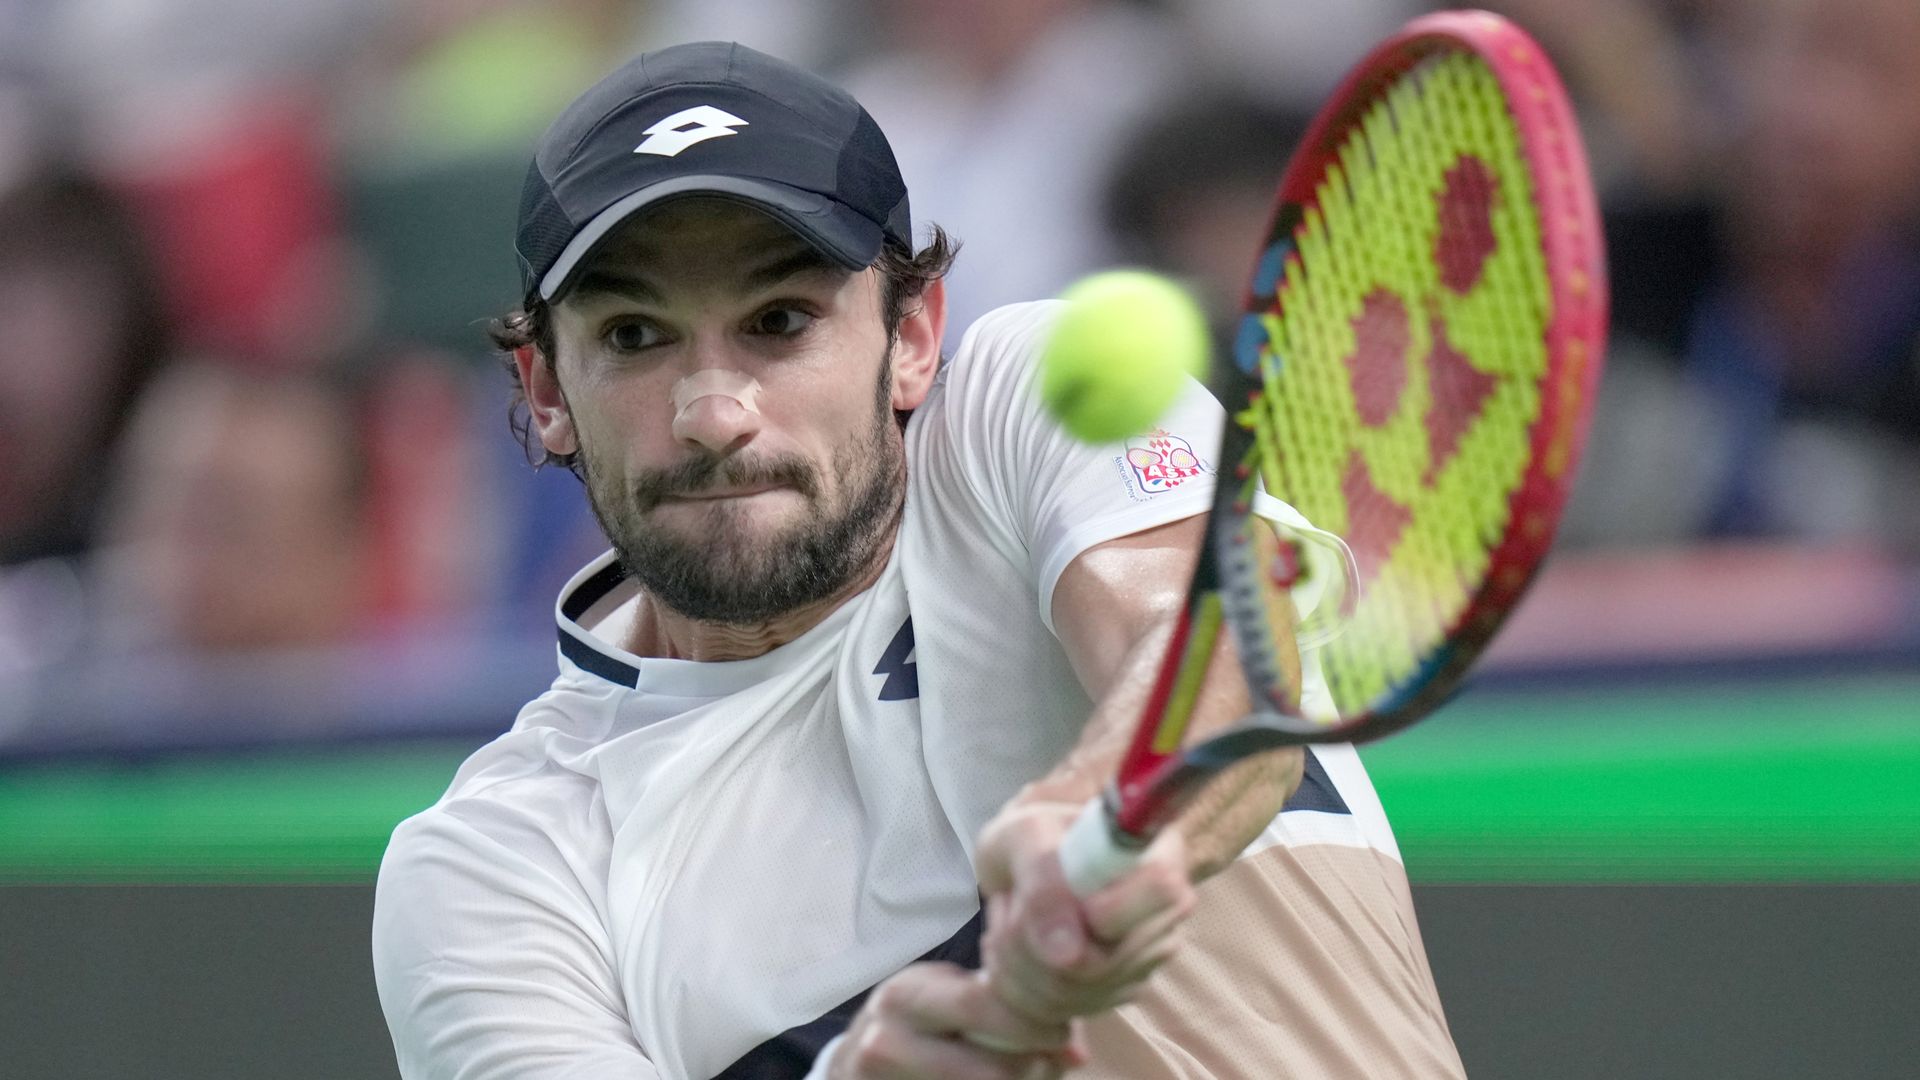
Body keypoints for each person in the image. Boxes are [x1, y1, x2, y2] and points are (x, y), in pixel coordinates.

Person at [372, 42, 1462, 1079]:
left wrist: (1094, 824)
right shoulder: (495, 870)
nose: (713, 413)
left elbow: (1204, 651)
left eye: (781, 319)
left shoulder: (1030, 404)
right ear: (546, 392)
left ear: (913, 338)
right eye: (635, 337)